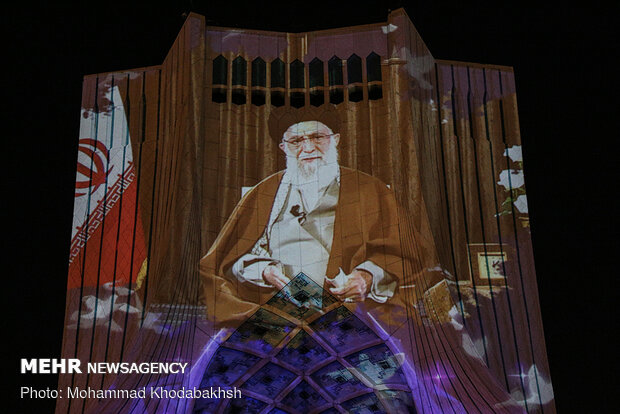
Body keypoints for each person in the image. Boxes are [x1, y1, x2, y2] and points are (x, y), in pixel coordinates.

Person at [200, 119, 409, 329]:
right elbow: (226, 263)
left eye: (318, 137)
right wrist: (264, 271)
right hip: (275, 312)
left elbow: (403, 255)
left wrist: (368, 276)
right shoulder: (263, 193)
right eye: (296, 141)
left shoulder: (370, 190)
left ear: (335, 140)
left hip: (347, 313)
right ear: (283, 147)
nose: (308, 148)